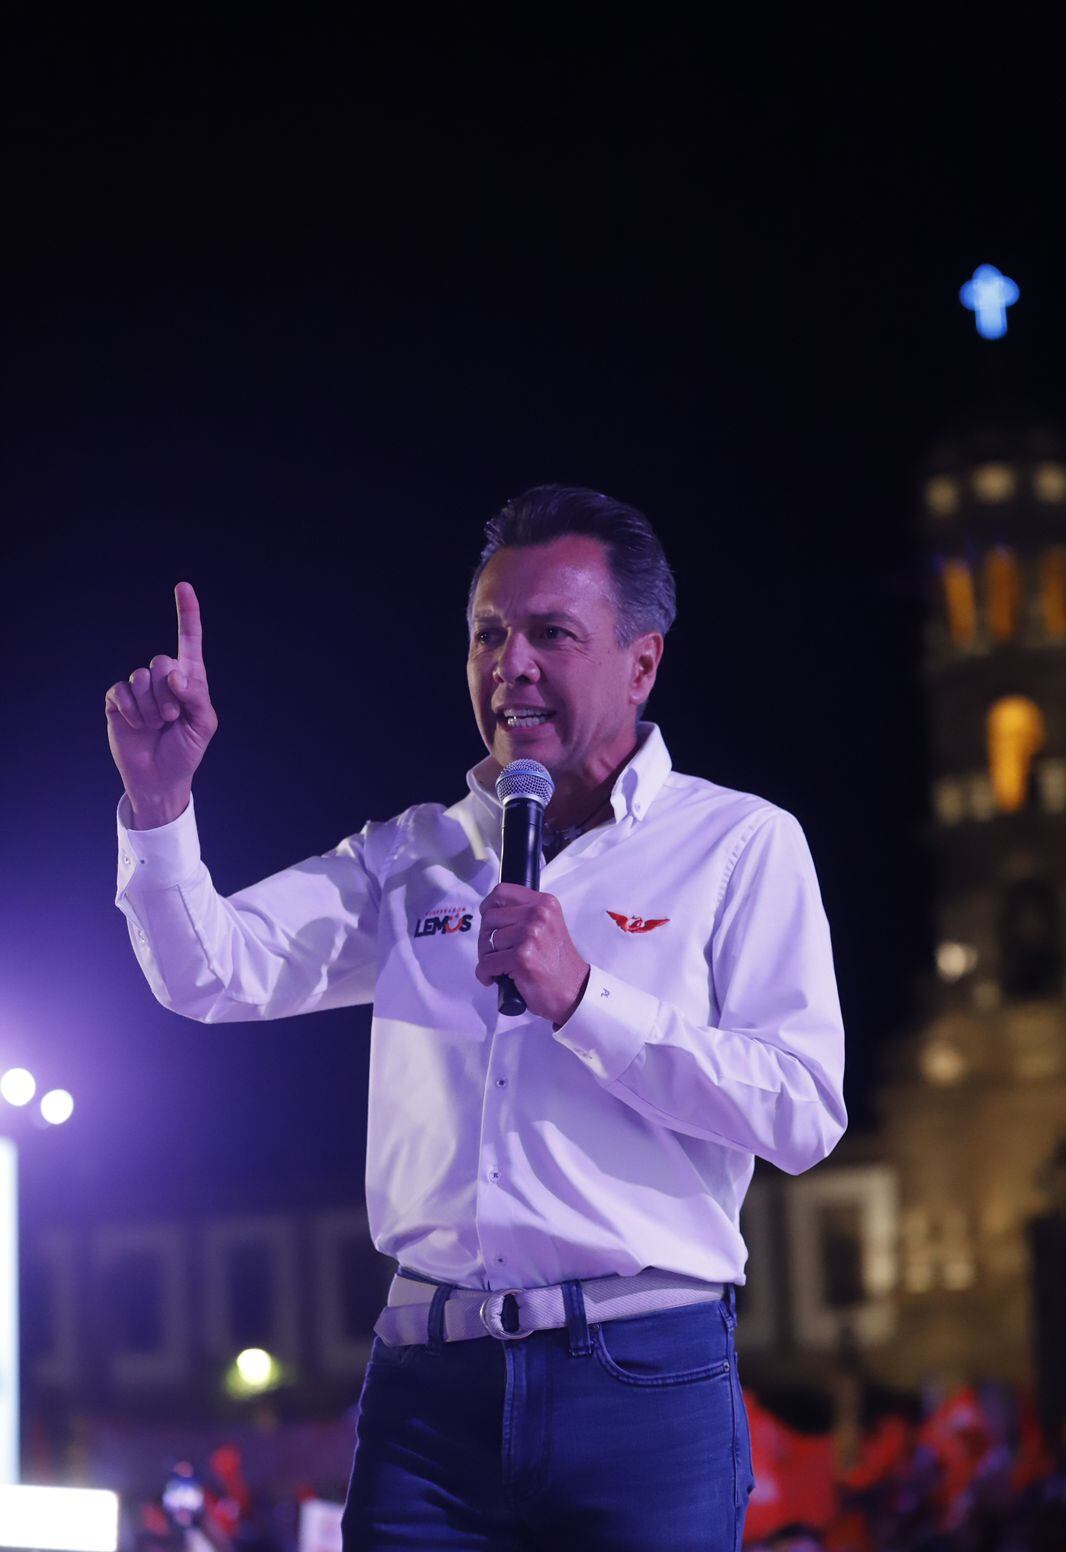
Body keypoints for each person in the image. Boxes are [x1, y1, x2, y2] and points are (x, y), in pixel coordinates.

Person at [107, 485, 847, 1551]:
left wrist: (584, 999)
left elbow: (803, 1111)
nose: (512, 665)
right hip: (425, 1389)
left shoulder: (739, 844)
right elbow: (211, 973)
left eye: (552, 633)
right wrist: (159, 807)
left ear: (641, 662)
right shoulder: (411, 852)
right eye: (488, 634)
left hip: (642, 1378)